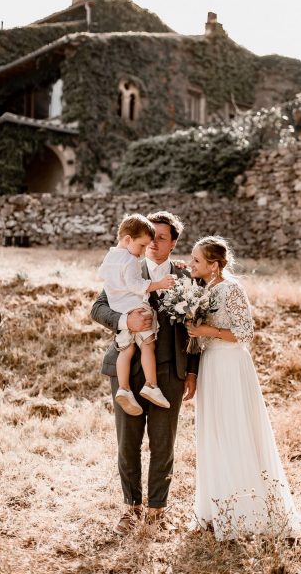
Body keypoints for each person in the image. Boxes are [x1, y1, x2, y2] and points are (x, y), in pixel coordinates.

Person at [187, 236, 301, 541]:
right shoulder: (204, 289)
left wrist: (204, 330)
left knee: (234, 429)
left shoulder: (231, 288)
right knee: (214, 432)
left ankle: (248, 513)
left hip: (230, 366)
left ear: (213, 265)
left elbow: (245, 331)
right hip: (211, 363)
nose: (191, 264)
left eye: (196, 260)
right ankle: (216, 508)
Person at [91, 211, 199, 533]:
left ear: (173, 243)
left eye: (161, 238)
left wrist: (191, 372)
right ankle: (131, 508)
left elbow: (196, 332)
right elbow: (98, 308)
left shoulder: (186, 279)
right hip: (127, 371)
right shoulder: (126, 265)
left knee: (163, 444)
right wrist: (126, 322)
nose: (153, 244)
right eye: (150, 238)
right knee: (128, 442)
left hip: (170, 371)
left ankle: (157, 510)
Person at [99, 214, 175, 416]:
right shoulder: (131, 261)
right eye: (142, 246)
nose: (143, 252)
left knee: (127, 349)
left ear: (173, 243)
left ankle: (124, 390)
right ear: (127, 240)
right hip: (136, 310)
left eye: (162, 238)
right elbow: (134, 285)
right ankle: (151, 385)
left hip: (120, 308)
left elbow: (105, 278)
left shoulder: (109, 258)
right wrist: (158, 284)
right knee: (148, 344)